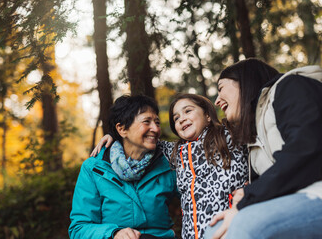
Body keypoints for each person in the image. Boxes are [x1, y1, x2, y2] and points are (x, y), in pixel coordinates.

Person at [92, 93, 248, 239]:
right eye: (176, 118)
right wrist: (114, 136)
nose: (181, 119)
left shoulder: (229, 136)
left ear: (207, 115)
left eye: (188, 111)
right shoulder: (176, 152)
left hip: (232, 227)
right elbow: (141, 139)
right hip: (194, 234)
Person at [205, 58, 322, 239]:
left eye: (221, 88)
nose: (217, 100)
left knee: (245, 225)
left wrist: (249, 198)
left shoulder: (291, 87)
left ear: (244, 81)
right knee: (215, 231)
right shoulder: (253, 134)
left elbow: (306, 148)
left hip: (317, 193)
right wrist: (245, 194)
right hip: (291, 200)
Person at [69, 95, 179, 239]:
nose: (155, 129)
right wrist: (113, 233)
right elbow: (79, 229)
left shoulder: (169, 162)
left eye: (157, 122)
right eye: (147, 121)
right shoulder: (94, 168)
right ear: (122, 129)